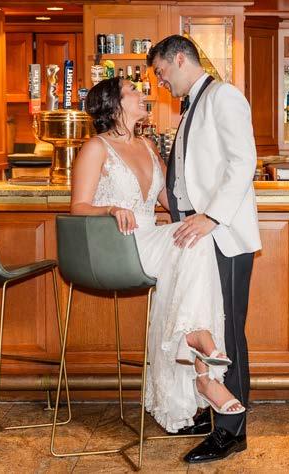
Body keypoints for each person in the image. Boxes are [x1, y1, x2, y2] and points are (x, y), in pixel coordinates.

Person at [70, 77, 247, 435]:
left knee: (195, 236)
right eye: (133, 91)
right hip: (117, 243)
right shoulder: (96, 147)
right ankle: (203, 363)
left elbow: (172, 201)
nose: (143, 95)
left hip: (149, 239)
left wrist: (210, 210)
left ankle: (200, 362)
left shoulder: (148, 146)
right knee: (192, 240)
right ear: (114, 105)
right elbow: (78, 207)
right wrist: (110, 210)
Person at [147, 35, 261, 463]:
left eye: (161, 72)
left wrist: (211, 217)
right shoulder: (192, 105)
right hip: (196, 236)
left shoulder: (224, 96)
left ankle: (232, 431)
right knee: (205, 327)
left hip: (221, 234)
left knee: (227, 331)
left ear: (180, 59)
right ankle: (214, 414)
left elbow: (243, 161)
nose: (160, 82)